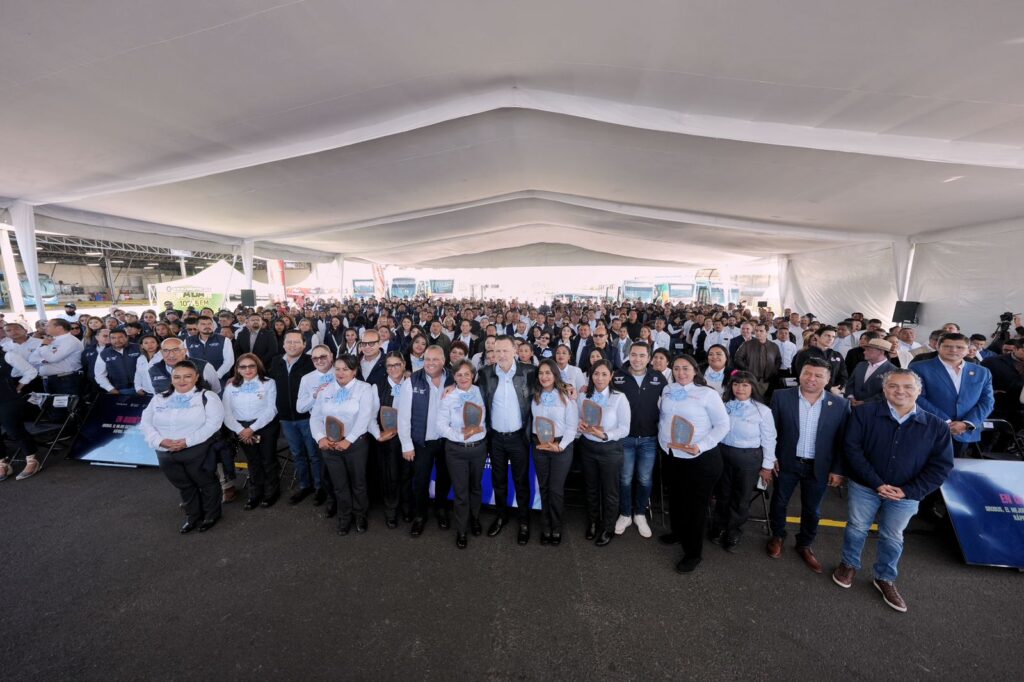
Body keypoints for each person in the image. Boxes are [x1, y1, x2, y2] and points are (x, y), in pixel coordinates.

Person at [832, 369, 955, 613]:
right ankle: (848, 564)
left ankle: (885, 577)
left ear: (919, 391)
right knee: (856, 527)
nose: (900, 391)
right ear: (884, 389)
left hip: (906, 495)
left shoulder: (937, 426)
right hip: (865, 486)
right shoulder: (863, 413)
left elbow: (941, 466)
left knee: (893, 536)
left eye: (908, 386)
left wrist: (909, 491)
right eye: (893, 386)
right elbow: (852, 449)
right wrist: (877, 483)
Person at [766, 357, 851, 573]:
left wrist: (838, 470)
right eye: (807, 373)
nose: (811, 378)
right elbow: (770, 430)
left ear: (828, 379)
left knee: (812, 509)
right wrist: (770, 457)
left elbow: (843, 441)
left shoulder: (840, 405)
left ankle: (804, 544)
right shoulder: (781, 396)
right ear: (800, 374)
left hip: (819, 466)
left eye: (818, 375)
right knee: (779, 502)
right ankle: (777, 536)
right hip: (786, 462)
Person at [657, 355, 730, 573]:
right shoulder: (668, 389)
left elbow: (723, 425)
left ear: (695, 370)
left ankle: (693, 552)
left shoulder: (707, 394)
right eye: (677, 368)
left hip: (699, 460)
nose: (680, 373)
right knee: (676, 499)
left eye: (685, 368)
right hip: (671, 455)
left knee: (695, 507)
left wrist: (701, 446)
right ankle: (678, 532)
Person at [140, 361, 225, 533]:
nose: (182, 380)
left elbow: (213, 424)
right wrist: (159, 441)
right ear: (171, 379)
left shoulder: (207, 396)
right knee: (184, 485)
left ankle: (211, 515)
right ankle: (193, 516)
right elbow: (145, 423)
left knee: (206, 482)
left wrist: (187, 441)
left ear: (196, 377)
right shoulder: (159, 398)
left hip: (196, 449)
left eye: (187, 376)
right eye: (177, 377)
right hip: (165, 452)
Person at [475, 336, 537, 544]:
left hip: (519, 438)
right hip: (496, 439)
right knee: (499, 480)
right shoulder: (485, 373)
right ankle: (501, 516)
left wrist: (568, 388)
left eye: (505, 350)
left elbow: (549, 384)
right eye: (497, 351)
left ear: (515, 351)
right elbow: (472, 393)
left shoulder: (529, 372)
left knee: (521, 481)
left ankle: (524, 521)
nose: (501, 355)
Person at [711, 371, 777, 551]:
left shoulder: (762, 410)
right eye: (736, 384)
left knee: (741, 497)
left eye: (745, 385)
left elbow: (769, 439)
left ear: (752, 387)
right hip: (723, 454)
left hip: (749, 458)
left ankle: (733, 530)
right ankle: (719, 525)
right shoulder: (724, 406)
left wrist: (767, 466)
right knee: (722, 494)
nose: (740, 388)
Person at [310, 355, 375, 535]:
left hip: (355, 444)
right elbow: (315, 417)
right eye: (337, 369)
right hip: (330, 445)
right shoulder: (326, 390)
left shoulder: (364, 388)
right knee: (339, 484)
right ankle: (344, 516)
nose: (340, 373)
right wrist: (320, 438)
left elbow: (364, 418)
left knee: (358, 483)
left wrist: (349, 440)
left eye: (345, 369)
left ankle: (360, 515)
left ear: (354, 371)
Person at [397, 345, 454, 536]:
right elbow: (403, 416)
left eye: (435, 359)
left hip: (446, 441)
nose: (431, 363)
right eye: (427, 359)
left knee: (445, 478)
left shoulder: (453, 378)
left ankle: (441, 509)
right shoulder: (411, 381)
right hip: (422, 442)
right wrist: (406, 444)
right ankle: (420, 516)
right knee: (420, 481)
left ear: (443, 361)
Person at [611, 342, 666, 538]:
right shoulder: (617, 376)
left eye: (642, 355)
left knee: (644, 479)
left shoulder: (658, 378)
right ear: (628, 355)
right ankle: (625, 513)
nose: (637, 359)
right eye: (634, 354)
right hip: (625, 438)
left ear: (649, 358)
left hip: (649, 439)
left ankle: (640, 513)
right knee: (625, 478)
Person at [577, 359, 631, 547]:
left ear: (611, 376)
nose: (599, 378)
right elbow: (578, 418)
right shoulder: (584, 396)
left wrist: (606, 435)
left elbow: (625, 428)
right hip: (587, 447)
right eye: (596, 374)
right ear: (591, 375)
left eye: (604, 374)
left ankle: (608, 527)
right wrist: (580, 425)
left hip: (610, 450)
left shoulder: (619, 398)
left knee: (610, 491)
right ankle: (593, 522)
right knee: (591, 488)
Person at [914, 333, 994, 457]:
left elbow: (987, 401)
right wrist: (945, 422)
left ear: (968, 350)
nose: (953, 350)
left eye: (959, 347)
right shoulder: (919, 368)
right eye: (947, 346)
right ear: (937, 347)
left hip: (964, 431)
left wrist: (967, 423)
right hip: (929, 429)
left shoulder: (982, 372)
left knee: (957, 467)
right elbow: (916, 397)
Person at [436, 360, 487, 549]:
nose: (463, 378)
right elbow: (440, 425)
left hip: (479, 448)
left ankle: (474, 518)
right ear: (454, 377)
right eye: (459, 375)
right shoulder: (448, 396)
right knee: (461, 491)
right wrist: (459, 436)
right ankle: (462, 529)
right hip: (456, 450)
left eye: (467, 374)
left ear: (473, 375)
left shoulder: (482, 392)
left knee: (476, 487)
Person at [269, 331, 322, 505]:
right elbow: (266, 381)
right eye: (289, 342)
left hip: (307, 417)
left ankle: (320, 487)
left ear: (304, 344)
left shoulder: (311, 362)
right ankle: (305, 485)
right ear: (283, 344)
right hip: (286, 418)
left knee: (314, 454)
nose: (292, 345)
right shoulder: (276, 361)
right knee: (298, 454)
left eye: (296, 342)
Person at [530, 358, 579, 546]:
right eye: (541, 373)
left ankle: (556, 526)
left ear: (555, 374)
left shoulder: (566, 396)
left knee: (555, 489)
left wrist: (561, 445)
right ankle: (545, 525)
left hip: (560, 447)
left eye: (548, 373)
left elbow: (571, 427)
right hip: (540, 446)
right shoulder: (535, 395)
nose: (544, 376)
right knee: (543, 487)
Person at [222, 353, 280, 509]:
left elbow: (272, 409)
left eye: (251, 366)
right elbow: (226, 412)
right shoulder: (231, 386)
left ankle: (272, 492)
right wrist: (241, 430)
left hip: (265, 427)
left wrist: (252, 428)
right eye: (243, 367)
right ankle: (255, 493)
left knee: (268, 460)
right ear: (237, 369)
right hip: (241, 429)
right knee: (253, 461)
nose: (247, 370)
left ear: (258, 366)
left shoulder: (268, 383)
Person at [368, 352, 413, 528]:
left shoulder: (412, 383)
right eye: (390, 366)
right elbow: (370, 415)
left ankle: (407, 507)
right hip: (388, 439)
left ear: (404, 365)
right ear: (386, 368)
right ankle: (391, 510)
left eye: (397, 364)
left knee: (408, 474)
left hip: (409, 437)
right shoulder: (377, 386)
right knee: (390, 476)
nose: (393, 369)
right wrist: (378, 434)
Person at [0, 343, 40, 481]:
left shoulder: (8, 355)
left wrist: (18, 387)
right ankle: (2, 462)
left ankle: (32, 459)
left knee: (14, 431)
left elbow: (31, 371)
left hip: (7, 400)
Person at [30, 319, 84, 395]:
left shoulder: (70, 340)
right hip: (48, 379)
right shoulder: (49, 340)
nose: (45, 328)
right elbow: (32, 359)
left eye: (48, 326)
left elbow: (52, 358)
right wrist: (43, 360)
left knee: (69, 402)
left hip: (65, 379)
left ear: (59, 328)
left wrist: (44, 346)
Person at [844, 338, 896, 405]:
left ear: (881, 352)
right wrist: (850, 397)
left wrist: (865, 402)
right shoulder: (860, 365)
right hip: (852, 406)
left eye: (868, 350)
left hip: (875, 409)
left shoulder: (893, 371)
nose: (864, 352)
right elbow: (850, 384)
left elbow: (888, 393)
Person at [732, 323, 781, 396]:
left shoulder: (774, 346)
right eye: (756, 331)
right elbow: (737, 358)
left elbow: (778, 360)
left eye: (761, 331)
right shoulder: (746, 344)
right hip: (751, 379)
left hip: (768, 380)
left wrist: (773, 371)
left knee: (766, 399)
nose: (758, 333)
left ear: (767, 332)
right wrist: (747, 369)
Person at [94, 328, 142, 394]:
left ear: (127, 338)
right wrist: (110, 389)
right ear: (110, 339)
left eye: (120, 337)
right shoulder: (104, 354)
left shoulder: (139, 348)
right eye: (113, 338)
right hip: (120, 390)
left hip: (143, 388)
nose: (117, 340)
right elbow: (99, 375)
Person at [186, 316, 234, 381]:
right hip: (196, 379)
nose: (207, 326)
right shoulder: (188, 341)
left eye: (209, 324)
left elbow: (229, 361)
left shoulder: (224, 340)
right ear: (197, 326)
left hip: (220, 378)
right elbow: (187, 360)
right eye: (203, 324)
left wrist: (216, 376)